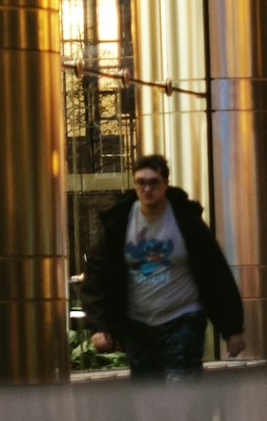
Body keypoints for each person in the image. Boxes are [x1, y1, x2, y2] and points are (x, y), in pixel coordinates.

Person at [84, 153, 248, 379]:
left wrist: (232, 329)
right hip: (138, 322)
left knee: (181, 388)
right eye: (141, 182)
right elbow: (97, 274)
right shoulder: (119, 223)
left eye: (153, 182)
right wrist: (100, 325)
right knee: (148, 396)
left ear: (166, 184)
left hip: (183, 316)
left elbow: (215, 273)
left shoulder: (186, 221)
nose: (147, 189)